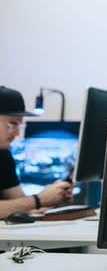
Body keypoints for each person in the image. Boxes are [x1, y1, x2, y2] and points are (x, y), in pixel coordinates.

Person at [0, 86, 73, 219]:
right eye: (12, 124)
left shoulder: (3, 156)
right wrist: (39, 200)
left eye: (20, 126)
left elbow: (21, 205)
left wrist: (54, 197)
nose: (17, 134)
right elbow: (30, 203)